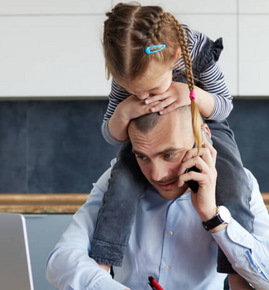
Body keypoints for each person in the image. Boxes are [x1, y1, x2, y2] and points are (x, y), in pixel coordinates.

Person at [46, 106, 269, 290]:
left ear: (203, 136)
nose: (156, 174)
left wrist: (214, 217)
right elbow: (61, 261)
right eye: (143, 156)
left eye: (169, 155)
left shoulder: (238, 183)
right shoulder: (116, 182)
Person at [92, 2, 254, 276]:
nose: (145, 97)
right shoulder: (128, 63)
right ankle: (102, 265)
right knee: (121, 183)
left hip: (205, 120)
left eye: (151, 88)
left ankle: (239, 273)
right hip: (150, 136)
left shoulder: (196, 49)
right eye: (135, 91)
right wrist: (125, 110)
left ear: (176, 55)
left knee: (234, 182)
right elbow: (112, 135)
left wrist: (189, 94)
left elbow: (224, 104)